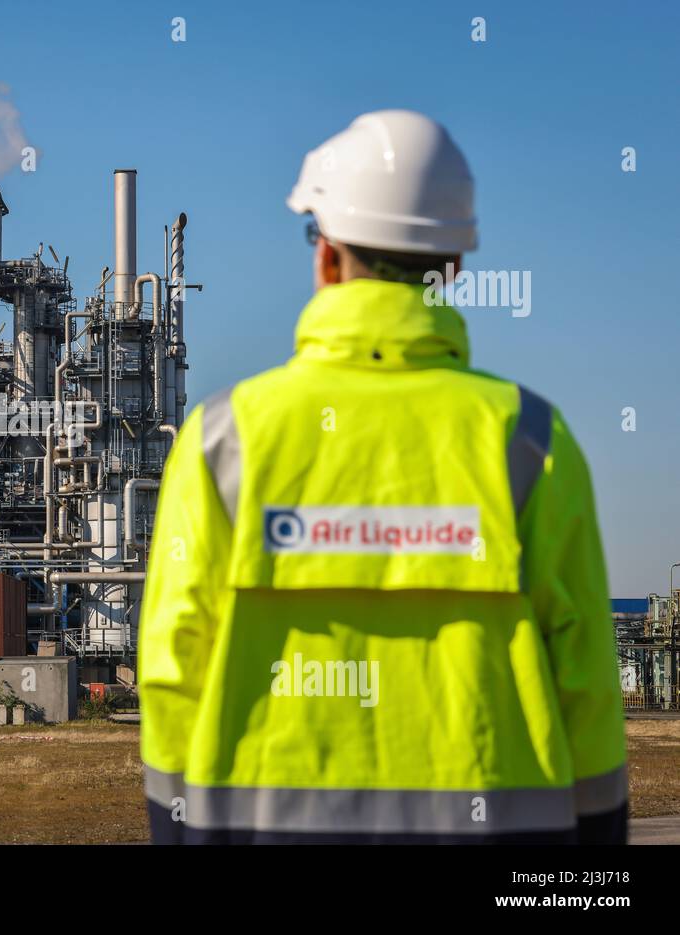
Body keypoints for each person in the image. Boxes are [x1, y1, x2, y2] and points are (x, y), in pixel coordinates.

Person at [138, 110, 627, 844]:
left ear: (326, 257)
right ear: (453, 269)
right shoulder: (530, 442)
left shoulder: (222, 441)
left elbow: (173, 672)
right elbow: (587, 679)